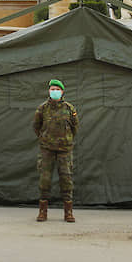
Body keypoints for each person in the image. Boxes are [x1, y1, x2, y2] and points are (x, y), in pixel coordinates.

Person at [33, 79, 79, 222]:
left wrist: (66, 139)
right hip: (47, 149)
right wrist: (45, 138)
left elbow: (75, 127)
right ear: (49, 91)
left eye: (57, 89)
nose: (54, 91)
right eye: (52, 89)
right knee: (44, 180)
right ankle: (42, 212)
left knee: (66, 179)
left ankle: (68, 212)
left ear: (62, 91)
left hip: (65, 150)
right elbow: (36, 126)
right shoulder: (42, 108)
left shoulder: (69, 108)